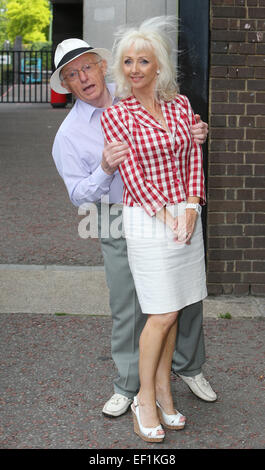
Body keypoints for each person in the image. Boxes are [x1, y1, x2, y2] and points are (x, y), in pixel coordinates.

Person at [50, 36, 216, 423]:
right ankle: (129, 385)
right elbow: (78, 195)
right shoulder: (68, 135)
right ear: (67, 85)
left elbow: (178, 128)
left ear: (100, 66)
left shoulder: (134, 84)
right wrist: (104, 168)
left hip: (170, 206)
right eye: (72, 75)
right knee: (128, 303)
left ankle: (188, 368)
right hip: (117, 214)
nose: (83, 77)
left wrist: (196, 134)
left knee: (183, 298)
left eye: (87, 66)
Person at [101, 16, 209, 442]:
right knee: (160, 312)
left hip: (186, 214)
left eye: (143, 60)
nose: (134, 69)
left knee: (176, 307)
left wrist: (191, 209)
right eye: (127, 61)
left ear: (158, 65)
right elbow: (132, 175)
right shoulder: (117, 114)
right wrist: (168, 216)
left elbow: (193, 159)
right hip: (148, 220)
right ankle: (144, 398)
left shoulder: (181, 106)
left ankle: (165, 392)